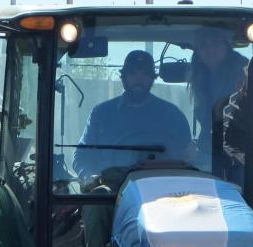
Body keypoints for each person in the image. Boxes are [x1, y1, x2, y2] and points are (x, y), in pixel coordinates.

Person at [74, 49, 193, 187]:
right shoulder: (100, 114)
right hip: (110, 196)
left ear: (152, 78)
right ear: (123, 77)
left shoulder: (173, 116)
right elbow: (82, 156)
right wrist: (89, 177)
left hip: (164, 194)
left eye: (145, 74)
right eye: (133, 73)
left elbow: (188, 158)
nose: (139, 79)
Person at [188, 28, 247, 156]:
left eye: (215, 43)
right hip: (209, 147)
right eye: (203, 45)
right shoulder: (200, 76)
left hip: (239, 150)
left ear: (226, 46)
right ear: (198, 51)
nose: (210, 50)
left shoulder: (241, 72)